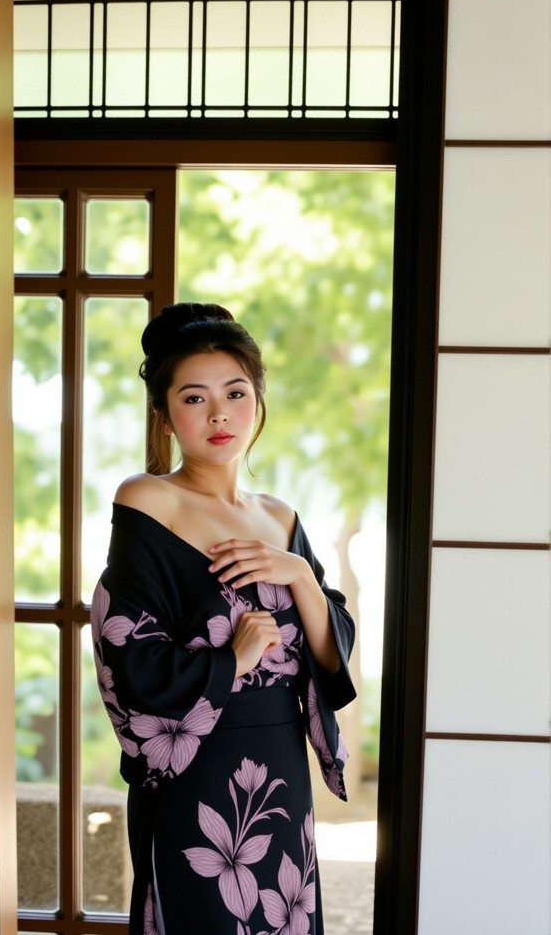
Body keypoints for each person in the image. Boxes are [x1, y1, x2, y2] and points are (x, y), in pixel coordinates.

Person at [90, 302, 356, 935]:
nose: (219, 414)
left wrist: (299, 576)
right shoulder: (147, 500)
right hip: (197, 761)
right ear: (164, 414)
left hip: (282, 761)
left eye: (236, 392)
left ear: (257, 401)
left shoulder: (281, 517)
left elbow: (329, 653)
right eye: (194, 397)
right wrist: (229, 659)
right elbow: (124, 647)